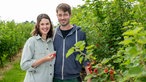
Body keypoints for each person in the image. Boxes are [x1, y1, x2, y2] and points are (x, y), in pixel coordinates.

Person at [53, 3, 91, 82]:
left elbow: (85, 56)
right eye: (60, 15)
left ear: (70, 15)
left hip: (74, 78)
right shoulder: (53, 34)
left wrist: (89, 77)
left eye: (65, 14)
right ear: (57, 16)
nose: (62, 18)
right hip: (55, 78)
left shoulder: (80, 33)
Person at [20, 13, 56, 82]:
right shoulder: (32, 41)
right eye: (42, 24)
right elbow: (24, 65)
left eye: (47, 24)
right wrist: (44, 59)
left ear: (50, 25)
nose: (45, 26)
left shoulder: (52, 42)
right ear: (38, 26)